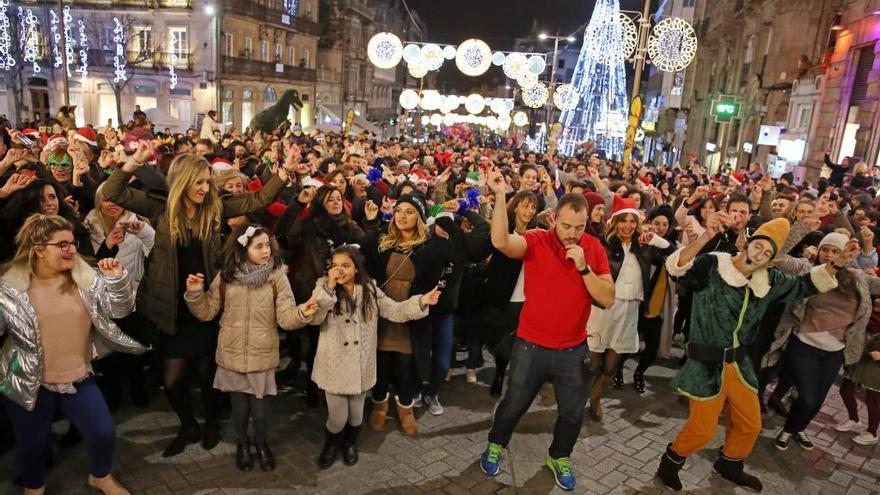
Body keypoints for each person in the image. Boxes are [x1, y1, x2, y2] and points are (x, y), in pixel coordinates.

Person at [101, 141, 288, 457]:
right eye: (199, 182)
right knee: (172, 379)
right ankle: (188, 425)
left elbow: (260, 197)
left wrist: (283, 173)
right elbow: (113, 192)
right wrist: (135, 161)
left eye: (207, 182)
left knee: (205, 373)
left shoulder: (215, 208)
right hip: (171, 306)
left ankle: (212, 420)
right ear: (184, 182)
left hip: (205, 303)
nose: (205, 188)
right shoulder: (161, 208)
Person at [656, 216, 858, 492]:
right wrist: (703, 239)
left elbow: (803, 286)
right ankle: (670, 462)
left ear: (771, 260)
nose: (760, 255)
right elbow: (678, 270)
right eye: (758, 247)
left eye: (767, 254)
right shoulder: (714, 265)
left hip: (739, 364)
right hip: (706, 365)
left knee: (750, 424)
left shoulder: (769, 279)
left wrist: (834, 265)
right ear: (747, 244)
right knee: (701, 430)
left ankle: (729, 463)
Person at [479, 165, 615, 492]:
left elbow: (607, 298)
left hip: (572, 349)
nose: (571, 233)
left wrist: (583, 267)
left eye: (579, 227)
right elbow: (500, 241)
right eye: (566, 226)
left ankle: (559, 455)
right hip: (530, 345)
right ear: (555, 218)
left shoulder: (593, 249)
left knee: (571, 414)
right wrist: (500, 196)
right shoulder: (537, 240)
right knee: (513, 404)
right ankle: (496, 443)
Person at [0, 214, 148, 495]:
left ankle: (100, 477)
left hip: (78, 377)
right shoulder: (9, 289)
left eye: (72, 243)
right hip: (27, 380)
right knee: (32, 445)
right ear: (39, 249)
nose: (71, 249)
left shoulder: (86, 279)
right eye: (63, 244)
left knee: (103, 432)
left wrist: (117, 279)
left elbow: (121, 310)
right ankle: (34, 487)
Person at [184, 224, 318, 472]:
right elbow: (207, 312)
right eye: (259, 246)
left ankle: (261, 443)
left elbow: (286, 318)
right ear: (243, 248)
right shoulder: (226, 276)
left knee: (261, 412)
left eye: (268, 245)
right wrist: (194, 294)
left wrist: (302, 313)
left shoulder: (276, 277)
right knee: (239, 409)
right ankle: (243, 444)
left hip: (261, 354)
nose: (266, 251)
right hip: (231, 354)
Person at [309, 245, 440, 468]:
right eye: (335, 266)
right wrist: (329, 288)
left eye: (346, 266)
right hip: (334, 364)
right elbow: (314, 318)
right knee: (337, 417)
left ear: (357, 269)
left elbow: (395, 310)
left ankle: (350, 442)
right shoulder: (323, 288)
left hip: (361, 365)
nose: (339, 270)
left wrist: (421, 302)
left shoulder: (369, 289)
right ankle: (332, 444)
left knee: (357, 415)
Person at [763, 231, 880, 450]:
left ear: (846, 253)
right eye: (825, 249)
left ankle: (797, 429)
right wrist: (802, 227)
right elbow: (776, 256)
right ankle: (789, 429)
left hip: (835, 351)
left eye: (836, 251)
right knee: (807, 396)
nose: (829, 255)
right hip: (803, 345)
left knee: (817, 400)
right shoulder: (807, 269)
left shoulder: (858, 278)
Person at [587, 195, 671, 420]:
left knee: (610, 368)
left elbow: (671, 255)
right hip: (602, 309)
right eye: (622, 220)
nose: (627, 225)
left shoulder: (644, 246)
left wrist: (656, 239)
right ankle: (578, 400)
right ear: (614, 222)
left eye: (632, 221)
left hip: (630, 311)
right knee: (591, 364)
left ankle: (595, 401)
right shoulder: (603, 243)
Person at [477, 191, 538, 396]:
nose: (529, 211)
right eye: (525, 206)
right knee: (497, 337)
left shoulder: (537, 233)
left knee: (513, 339)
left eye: (533, 207)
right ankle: (500, 366)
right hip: (501, 293)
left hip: (525, 297)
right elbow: (485, 249)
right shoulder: (504, 230)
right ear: (516, 207)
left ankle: (502, 374)